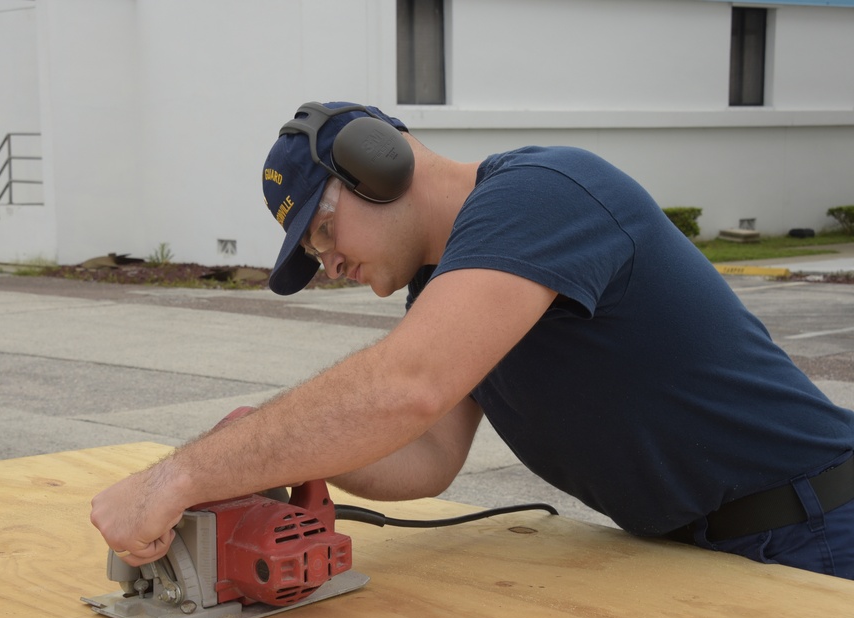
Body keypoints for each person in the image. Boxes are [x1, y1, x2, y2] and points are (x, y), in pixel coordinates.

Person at [91, 101, 854, 579]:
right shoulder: (449, 281)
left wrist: (176, 479)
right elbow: (425, 455)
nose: (329, 265)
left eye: (324, 232)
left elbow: (404, 388)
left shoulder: (542, 194)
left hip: (816, 528)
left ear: (377, 164)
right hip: (696, 548)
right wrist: (264, 449)